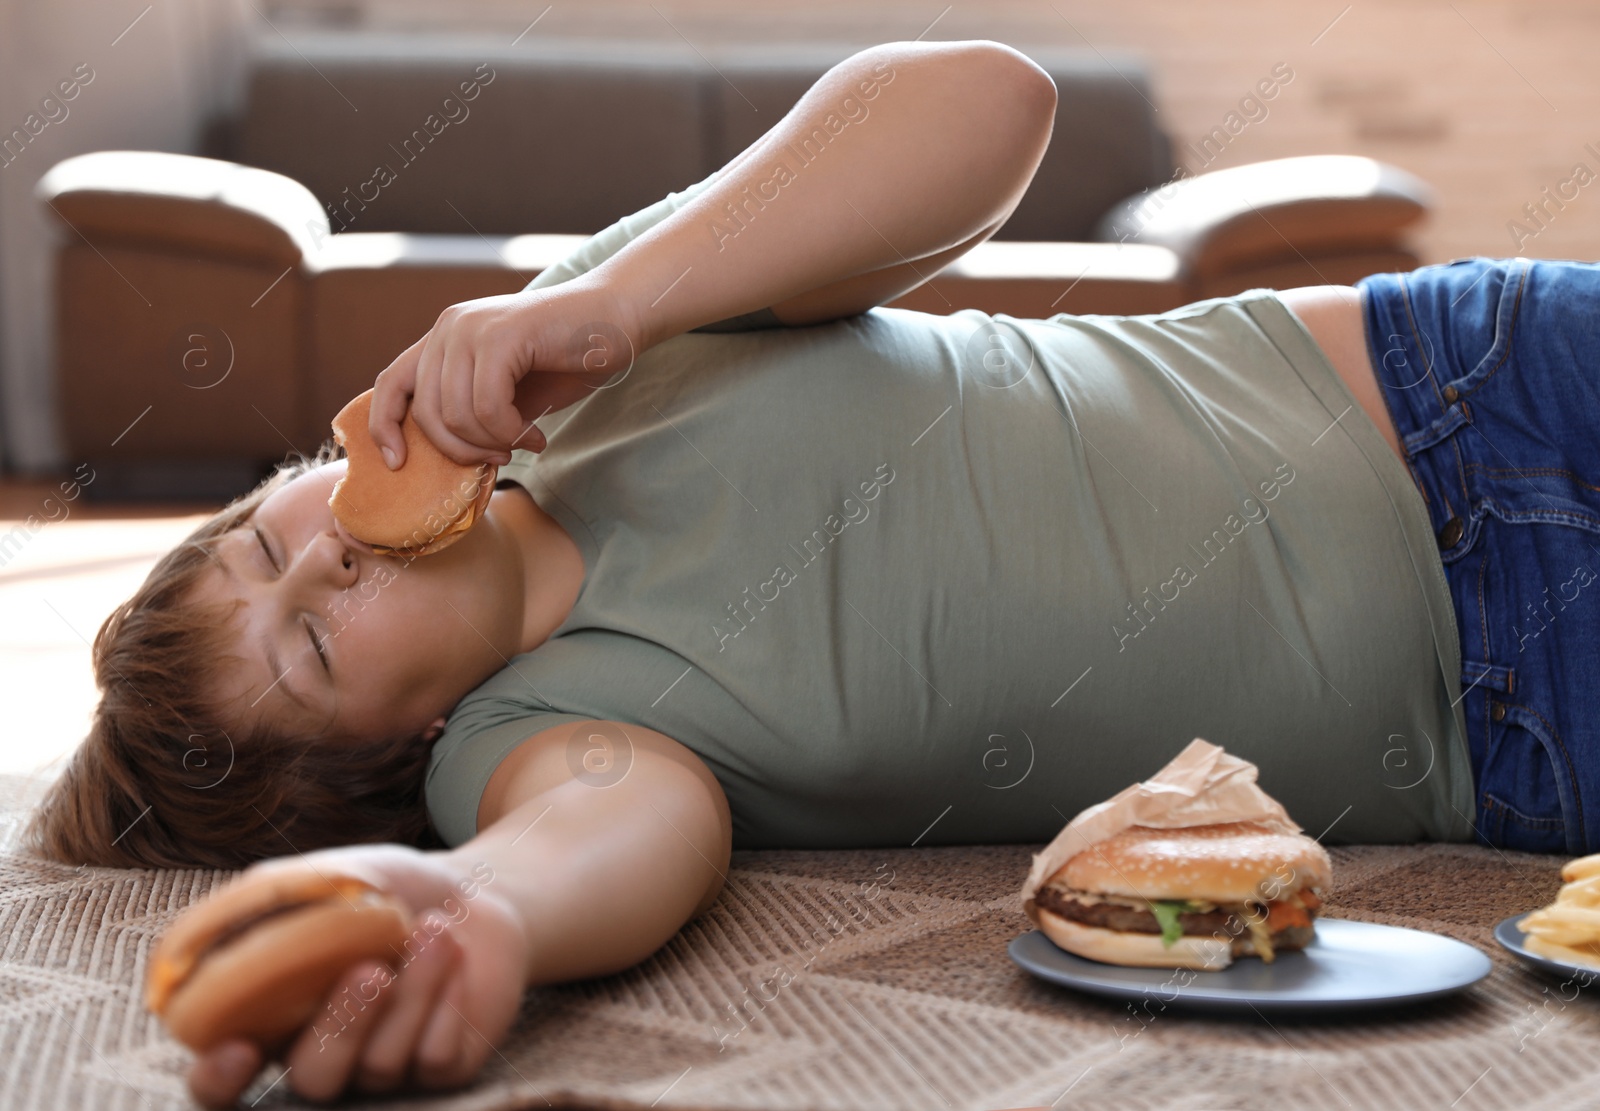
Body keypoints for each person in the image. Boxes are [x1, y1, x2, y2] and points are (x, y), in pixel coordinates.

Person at [21, 36, 1597, 1108]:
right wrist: (466, 906)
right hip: (1519, 709)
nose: (316, 560)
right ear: (405, 750)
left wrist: (625, 302)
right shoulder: (540, 739)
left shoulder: (592, 337)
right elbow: (605, 847)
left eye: (256, 539)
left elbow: (992, 101)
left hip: (1459, 379)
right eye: (305, 647)